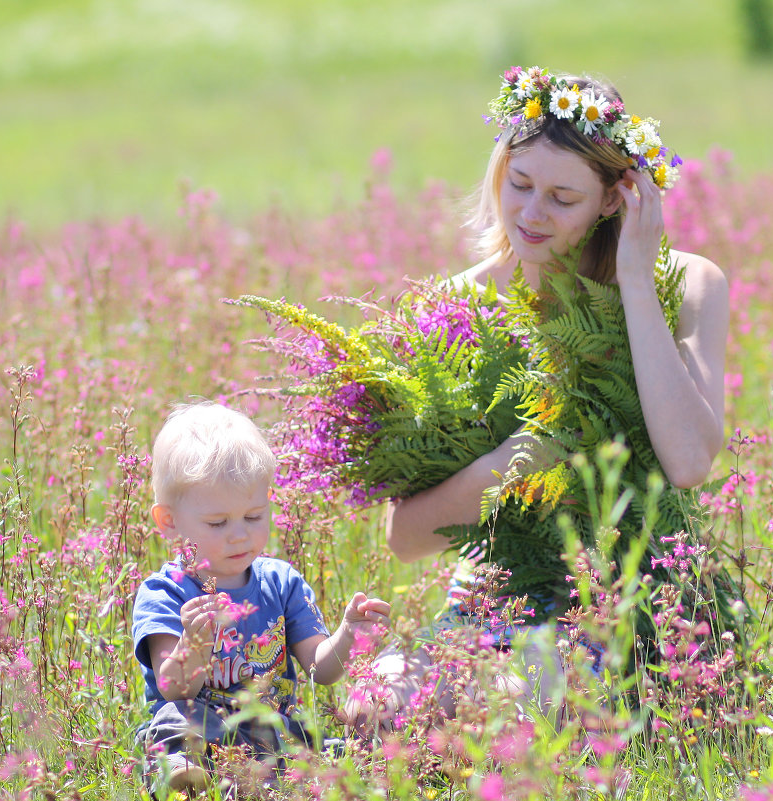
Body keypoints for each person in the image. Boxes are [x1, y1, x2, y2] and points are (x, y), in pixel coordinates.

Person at [344, 66, 728, 730]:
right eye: (518, 184)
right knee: (370, 706)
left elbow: (690, 459)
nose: (530, 213)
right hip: (493, 607)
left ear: (615, 199)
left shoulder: (688, 285)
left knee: (499, 710)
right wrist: (510, 463)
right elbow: (405, 538)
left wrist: (636, 280)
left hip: (631, 607)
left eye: (561, 197)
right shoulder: (456, 309)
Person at [133, 401, 391, 795]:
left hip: (273, 732)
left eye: (253, 516)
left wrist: (348, 633)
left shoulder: (281, 582)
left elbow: (321, 671)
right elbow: (174, 688)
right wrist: (195, 643)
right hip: (201, 729)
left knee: (335, 747)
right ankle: (186, 778)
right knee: (174, 721)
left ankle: (270, 781)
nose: (239, 534)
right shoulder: (165, 592)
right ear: (169, 521)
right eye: (218, 523)